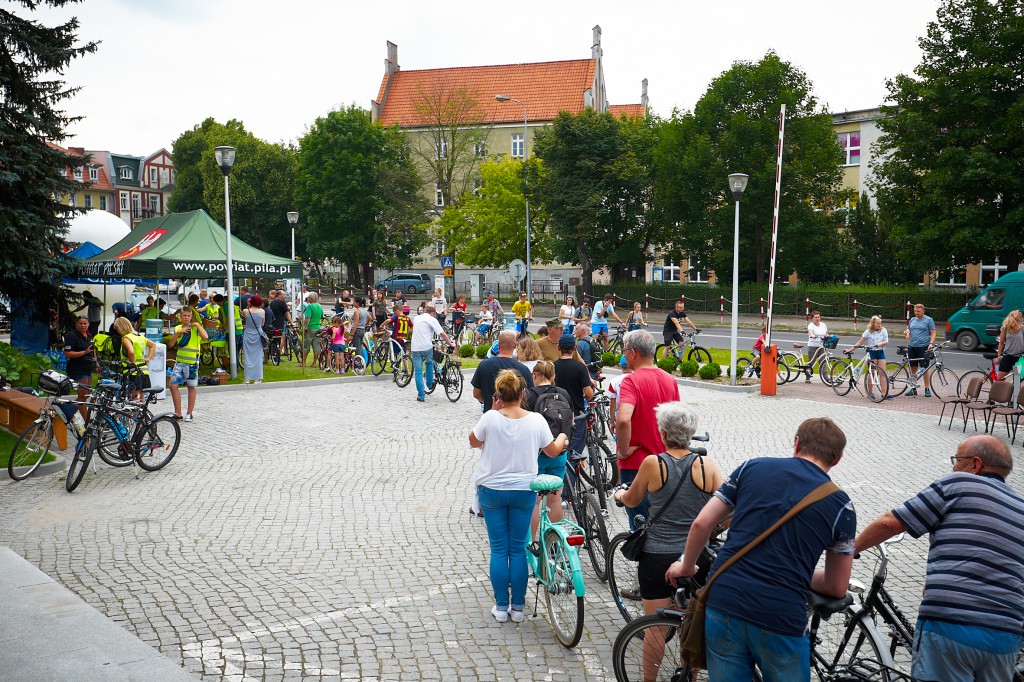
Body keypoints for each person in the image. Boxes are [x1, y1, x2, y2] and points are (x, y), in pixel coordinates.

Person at [666, 417, 856, 680]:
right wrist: (794, 571)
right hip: (781, 617)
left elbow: (702, 524)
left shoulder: (751, 468)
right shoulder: (841, 506)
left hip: (724, 603)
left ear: (797, 443)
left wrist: (686, 565)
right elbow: (836, 586)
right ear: (837, 459)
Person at [856, 435, 1024, 682]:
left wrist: (850, 550)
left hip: (951, 624)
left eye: (957, 459)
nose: (954, 466)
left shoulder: (958, 483)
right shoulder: (1020, 507)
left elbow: (890, 523)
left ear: (975, 464)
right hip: (1005, 638)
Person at [469, 369, 568, 624]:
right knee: (518, 549)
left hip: (492, 489)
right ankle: (519, 608)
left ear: (499, 395)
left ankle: (501, 607)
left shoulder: (490, 418)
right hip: (524, 488)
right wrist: (563, 437)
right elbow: (553, 450)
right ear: (523, 394)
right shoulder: (535, 420)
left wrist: (492, 409)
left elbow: (473, 441)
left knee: (499, 550)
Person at [613, 403, 724, 615]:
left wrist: (619, 495)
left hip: (657, 554)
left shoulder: (653, 463)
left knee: (655, 629)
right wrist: (712, 528)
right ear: (691, 433)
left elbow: (633, 500)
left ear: (662, 433)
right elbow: (728, 509)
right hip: (696, 557)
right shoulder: (706, 464)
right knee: (692, 624)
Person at [616, 329, 683, 529]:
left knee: (640, 524)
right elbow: (676, 421)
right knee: (662, 520)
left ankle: (644, 560)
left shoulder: (631, 380)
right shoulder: (669, 379)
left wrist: (624, 450)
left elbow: (623, 420)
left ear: (634, 353)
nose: (623, 355)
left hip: (637, 464)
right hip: (667, 461)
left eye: (624, 350)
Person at [525, 360, 574, 538]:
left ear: (535, 376)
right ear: (553, 376)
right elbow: (571, 422)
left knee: (534, 502)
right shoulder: (564, 394)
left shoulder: (528, 395)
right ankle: (556, 541)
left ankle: (531, 544)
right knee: (555, 500)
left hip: (535, 456)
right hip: (559, 452)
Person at [472, 330, 534, 412]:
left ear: (498, 345)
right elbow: (530, 396)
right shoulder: (523, 369)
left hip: (491, 414)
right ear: (515, 345)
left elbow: (476, 393)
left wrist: (488, 401)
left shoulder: (484, 365)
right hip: (515, 416)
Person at [554, 335, 594, 456]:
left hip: (555, 413)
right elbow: (588, 394)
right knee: (574, 452)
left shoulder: (552, 366)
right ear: (575, 347)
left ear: (558, 348)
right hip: (575, 413)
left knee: (560, 451)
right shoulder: (580, 367)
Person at [168, 306, 208, 421]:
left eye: (188, 316)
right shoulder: (177, 328)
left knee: (191, 387)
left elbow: (205, 336)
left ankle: (189, 413)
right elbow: (171, 344)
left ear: (191, 317)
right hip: (180, 362)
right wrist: (178, 333)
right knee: (173, 385)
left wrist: (198, 325)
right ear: (180, 316)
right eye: (184, 315)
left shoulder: (195, 329)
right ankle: (178, 413)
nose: (186, 318)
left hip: (192, 363)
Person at [410, 305, 454, 402]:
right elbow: (442, 333)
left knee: (418, 372)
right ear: (432, 313)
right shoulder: (432, 319)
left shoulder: (416, 318)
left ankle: (421, 395)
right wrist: (450, 343)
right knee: (429, 362)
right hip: (426, 346)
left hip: (415, 348)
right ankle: (429, 383)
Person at [847, 315, 889, 397]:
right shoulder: (868, 332)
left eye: (880, 323)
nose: (879, 325)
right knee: (872, 373)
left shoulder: (883, 330)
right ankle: (870, 393)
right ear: (873, 323)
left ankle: (884, 393)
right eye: (877, 323)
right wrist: (850, 350)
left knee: (882, 373)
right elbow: (860, 342)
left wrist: (880, 344)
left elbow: (886, 341)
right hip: (871, 352)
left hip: (880, 352)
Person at [112, 316, 155, 392]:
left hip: (132, 372)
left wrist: (132, 363)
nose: (117, 331)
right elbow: (153, 345)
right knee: (141, 396)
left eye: (117, 329)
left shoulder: (127, 338)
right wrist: (148, 358)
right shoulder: (140, 336)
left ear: (121, 327)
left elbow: (131, 351)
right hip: (144, 371)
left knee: (134, 397)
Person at [63, 315, 95, 419]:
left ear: (88, 324)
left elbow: (92, 350)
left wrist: (97, 363)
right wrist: (83, 352)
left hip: (88, 368)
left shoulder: (89, 335)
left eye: (85, 323)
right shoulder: (72, 336)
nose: (83, 325)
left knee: (86, 395)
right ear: (76, 324)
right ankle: (87, 422)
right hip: (77, 369)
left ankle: (68, 412)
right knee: (82, 395)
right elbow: (67, 354)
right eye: (80, 323)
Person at [905, 303, 937, 395]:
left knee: (924, 368)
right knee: (913, 368)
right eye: (915, 311)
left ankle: (927, 389)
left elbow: (933, 332)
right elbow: (910, 331)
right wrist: (907, 333)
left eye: (918, 311)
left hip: (923, 347)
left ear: (923, 311)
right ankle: (913, 388)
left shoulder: (928, 320)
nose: (916, 313)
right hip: (912, 346)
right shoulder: (912, 320)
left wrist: (931, 343)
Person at [241, 295, 266, 384]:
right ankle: (257, 378)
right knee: (258, 357)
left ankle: (247, 378)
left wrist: (248, 305)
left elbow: (243, 315)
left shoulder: (245, 311)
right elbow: (262, 324)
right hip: (258, 334)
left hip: (248, 334)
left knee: (247, 357)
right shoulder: (262, 311)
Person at [995, 309, 1023, 382]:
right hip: (1008, 356)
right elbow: (1001, 343)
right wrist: (998, 356)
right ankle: (999, 393)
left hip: (1019, 358)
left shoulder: (1022, 328)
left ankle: (1014, 393)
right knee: (1000, 379)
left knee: (1016, 382)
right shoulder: (1005, 328)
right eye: (1020, 317)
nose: (1022, 318)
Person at [299, 292, 323, 369]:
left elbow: (308, 317)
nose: (307, 299)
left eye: (308, 298)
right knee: (316, 346)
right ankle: (314, 363)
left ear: (311, 299)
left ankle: (304, 362)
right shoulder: (319, 306)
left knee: (306, 345)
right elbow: (322, 316)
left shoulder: (309, 306)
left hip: (310, 327)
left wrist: (305, 326)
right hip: (318, 327)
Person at [805, 310, 828, 384]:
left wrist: (828, 336)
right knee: (811, 362)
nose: (817, 318)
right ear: (813, 318)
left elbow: (826, 333)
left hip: (821, 346)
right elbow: (810, 331)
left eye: (818, 317)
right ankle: (808, 377)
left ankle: (826, 378)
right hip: (813, 346)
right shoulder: (811, 325)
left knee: (823, 362)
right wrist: (812, 335)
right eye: (815, 317)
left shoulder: (823, 325)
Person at [349, 296, 369, 364]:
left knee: (357, 348)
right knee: (359, 346)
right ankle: (361, 361)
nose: (353, 302)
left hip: (357, 330)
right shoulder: (365, 310)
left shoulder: (357, 311)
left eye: (354, 301)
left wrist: (351, 334)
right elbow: (370, 318)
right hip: (362, 330)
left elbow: (355, 323)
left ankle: (359, 363)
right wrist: (365, 324)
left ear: (357, 303)